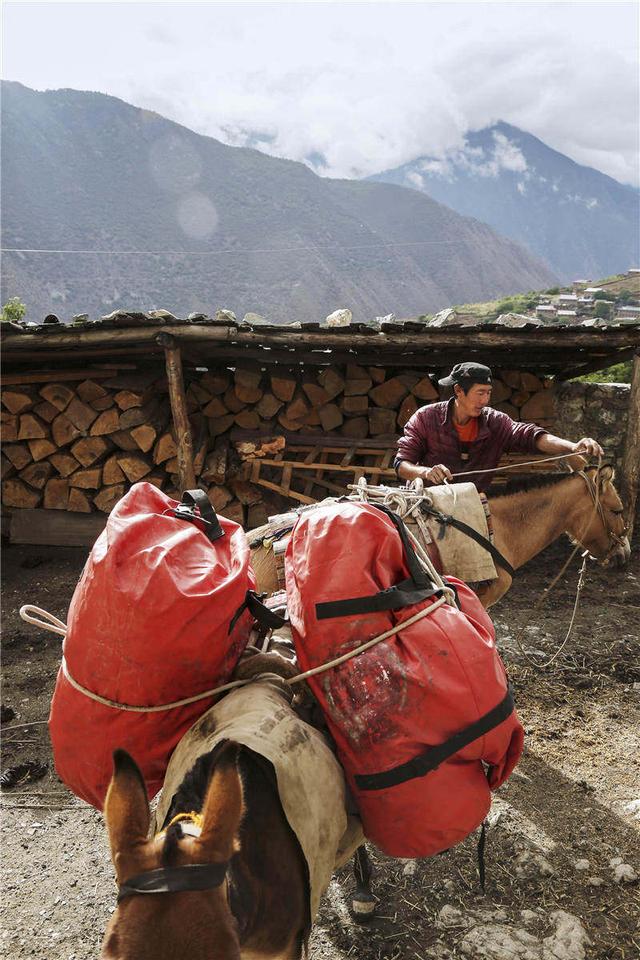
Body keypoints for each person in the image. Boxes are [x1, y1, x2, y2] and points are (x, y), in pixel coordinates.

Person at [395, 362, 603, 493]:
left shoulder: (496, 422)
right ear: (458, 390)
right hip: (426, 502)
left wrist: (572, 446)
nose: (485, 400)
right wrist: (425, 472)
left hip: (472, 506)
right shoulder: (426, 417)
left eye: (489, 392)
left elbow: (530, 436)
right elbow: (402, 464)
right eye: (480, 393)